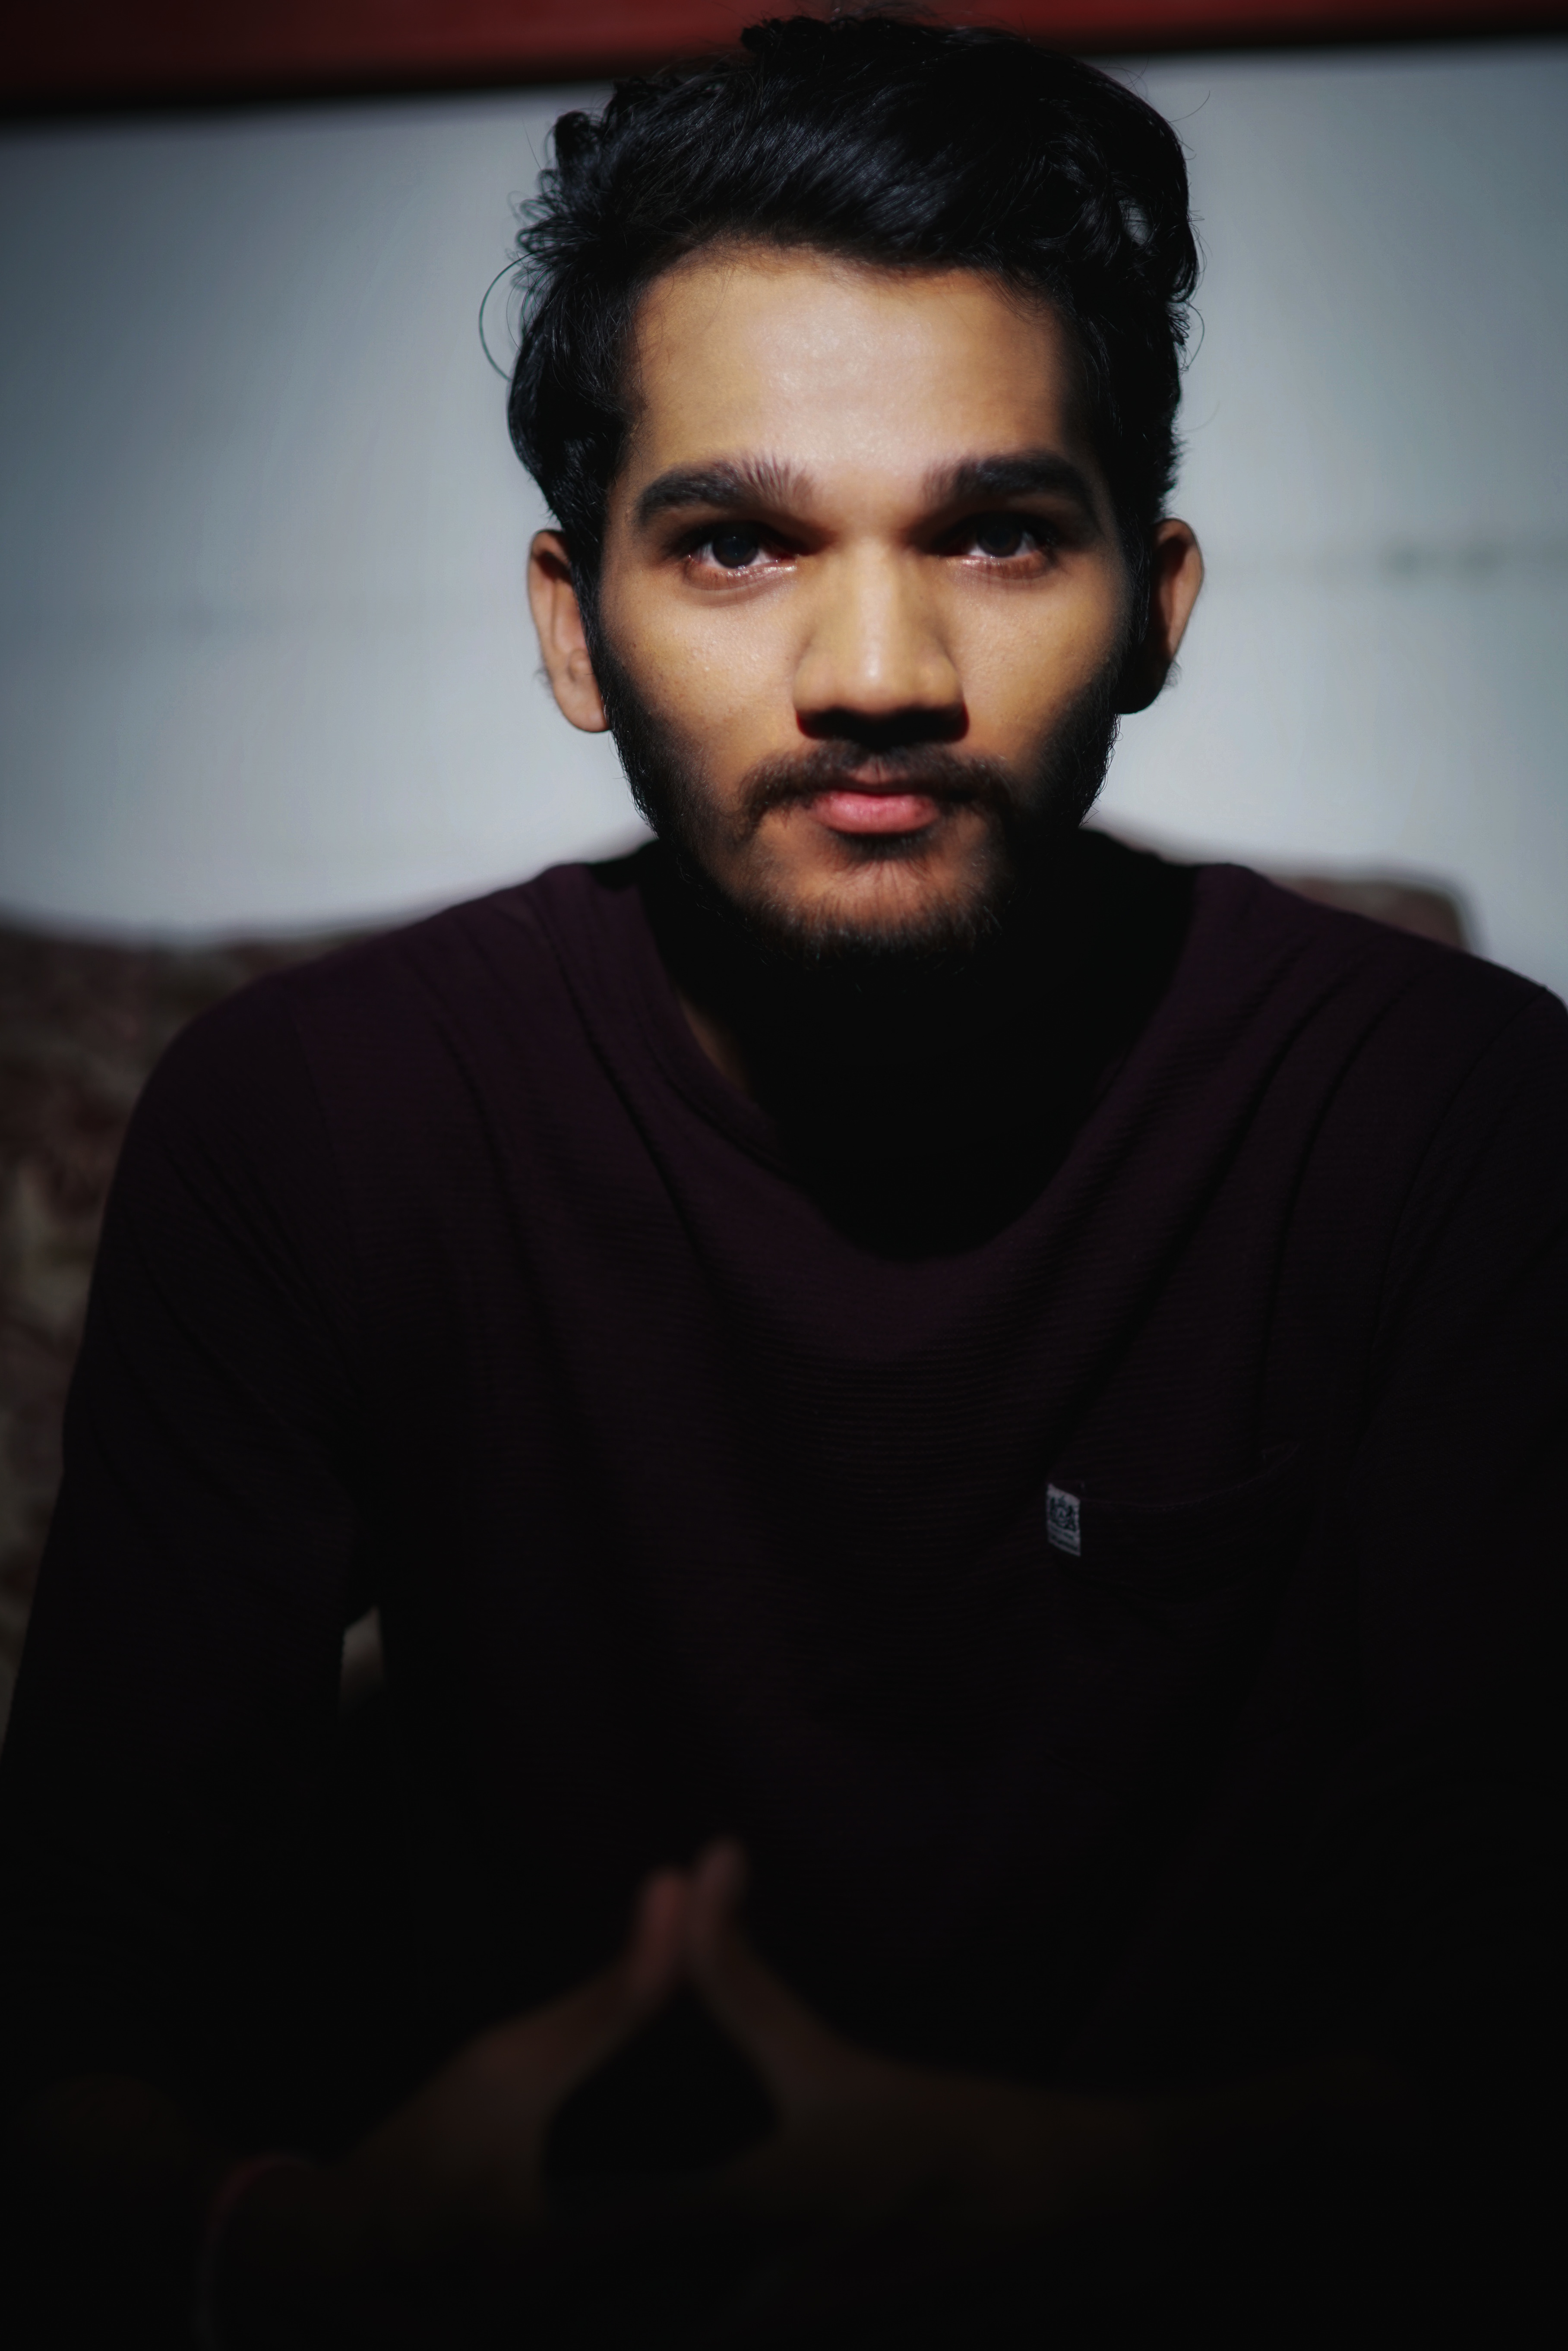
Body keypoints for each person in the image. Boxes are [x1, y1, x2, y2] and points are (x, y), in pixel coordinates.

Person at [0, 13, 1562, 2348]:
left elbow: (1526, 2024)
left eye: (997, 532)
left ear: (1156, 602)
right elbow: (65, 2007)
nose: (875, 669)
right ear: (573, 624)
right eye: (738, 543)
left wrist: (1127, 2206)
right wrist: (292, 2258)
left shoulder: (1441, 1116)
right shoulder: (314, 1130)